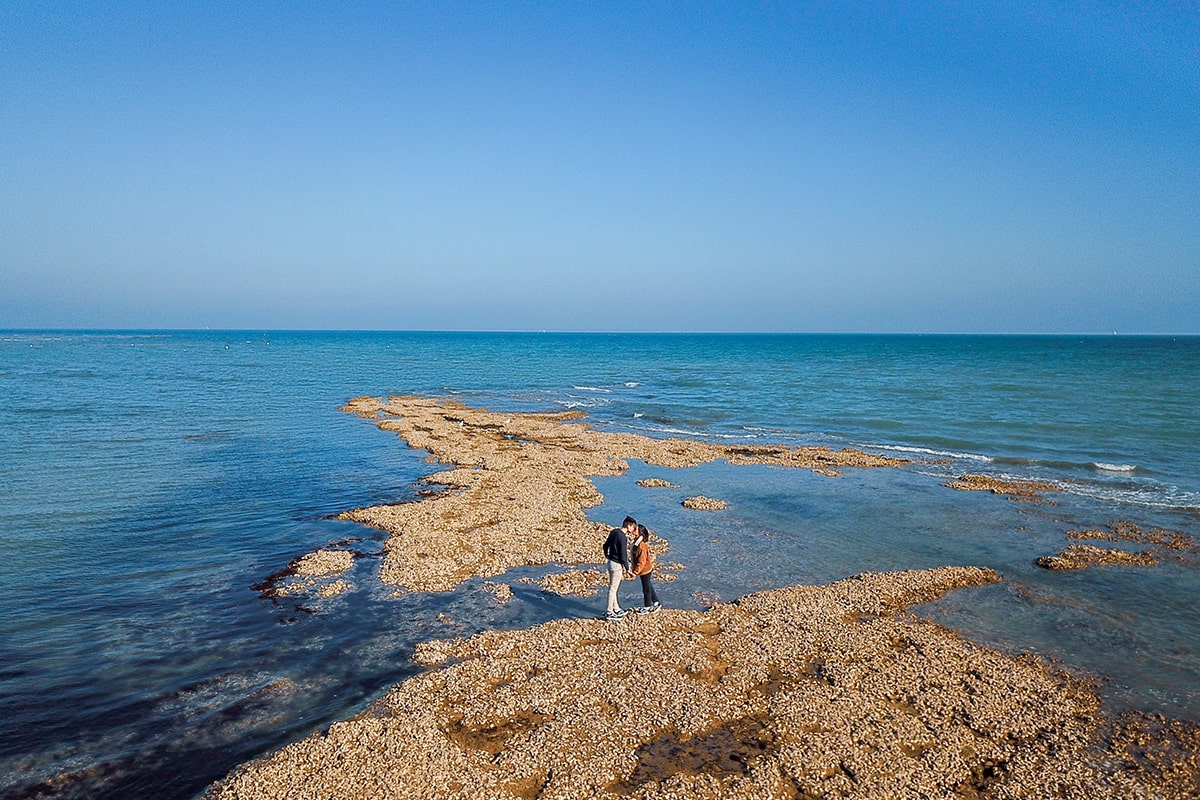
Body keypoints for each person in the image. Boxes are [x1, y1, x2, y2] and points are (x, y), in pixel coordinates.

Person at [602, 516, 636, 620]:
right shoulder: (623, 537)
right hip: (617, 565)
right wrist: (627, 569)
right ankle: (609, 611)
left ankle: (616, 608)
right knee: (613, 588)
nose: (633, 530)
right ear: (628, 525)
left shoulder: (614, 532)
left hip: (610, 562)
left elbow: (605, 545)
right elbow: (623, 554)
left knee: (614, 587)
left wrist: (607, 555)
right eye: (633, 527)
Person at [629, 523, 661, 614]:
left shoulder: (641, 545)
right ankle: (656, 603)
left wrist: (635, 572)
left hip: (645, 570)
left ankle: (647, 607)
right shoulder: (637, 541)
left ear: (640, 533)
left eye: (636, 529)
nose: (634, 530)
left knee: (646, 589)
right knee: (649, 586)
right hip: (645, 569)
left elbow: (642, 561)